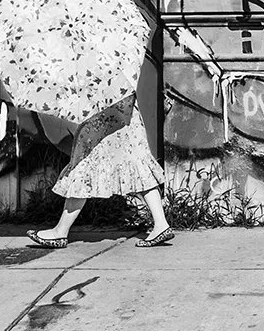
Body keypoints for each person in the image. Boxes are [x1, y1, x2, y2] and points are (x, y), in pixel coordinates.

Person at [28, 94, 172, 247]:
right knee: (138, 165)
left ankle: (60, 232)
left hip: (102, 117)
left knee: (82, 169)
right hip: (125, 114)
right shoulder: (123, 72)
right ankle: (161, 224)